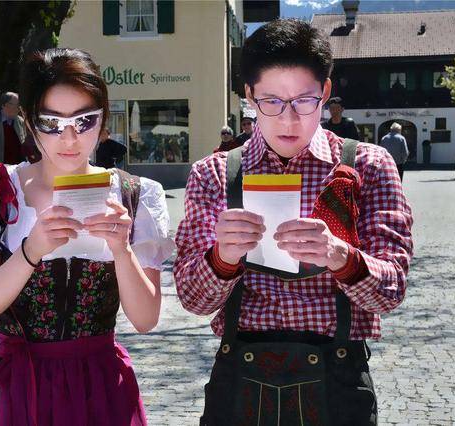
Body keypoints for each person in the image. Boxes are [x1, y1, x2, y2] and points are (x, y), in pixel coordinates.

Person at [174, 19, 413, 425]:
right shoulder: (215, 174)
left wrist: (340, 256)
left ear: (325, 92)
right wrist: (222, 258)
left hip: (338, 376)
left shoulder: (368, 165)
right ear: (249, 96)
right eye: (271, 101)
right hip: (241, 373)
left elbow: (390, 292)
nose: (288, 120)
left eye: (304, 101)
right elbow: (194, 301)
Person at [0, 47, 174, 425]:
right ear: (29, 122)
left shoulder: (135, 194)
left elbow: (145, 319)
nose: (69, 137)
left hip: (100, 388)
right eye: (51, 121)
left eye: (84, 120)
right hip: (18, 388)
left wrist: (122, 251)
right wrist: (31, 250)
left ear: (103, 120)